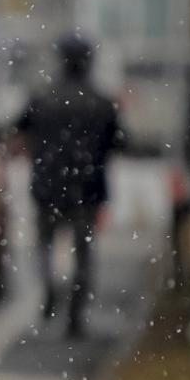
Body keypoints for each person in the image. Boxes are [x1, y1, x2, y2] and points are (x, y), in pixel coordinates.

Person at [14, 32, 125, 339]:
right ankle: (75, 314)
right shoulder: (102, 103)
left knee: (44, 247)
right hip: (87, 189)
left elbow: (17, 128)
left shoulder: (43, 98)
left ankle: (50, 290)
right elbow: (120, 141)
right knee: (83, 253)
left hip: (48, 187)